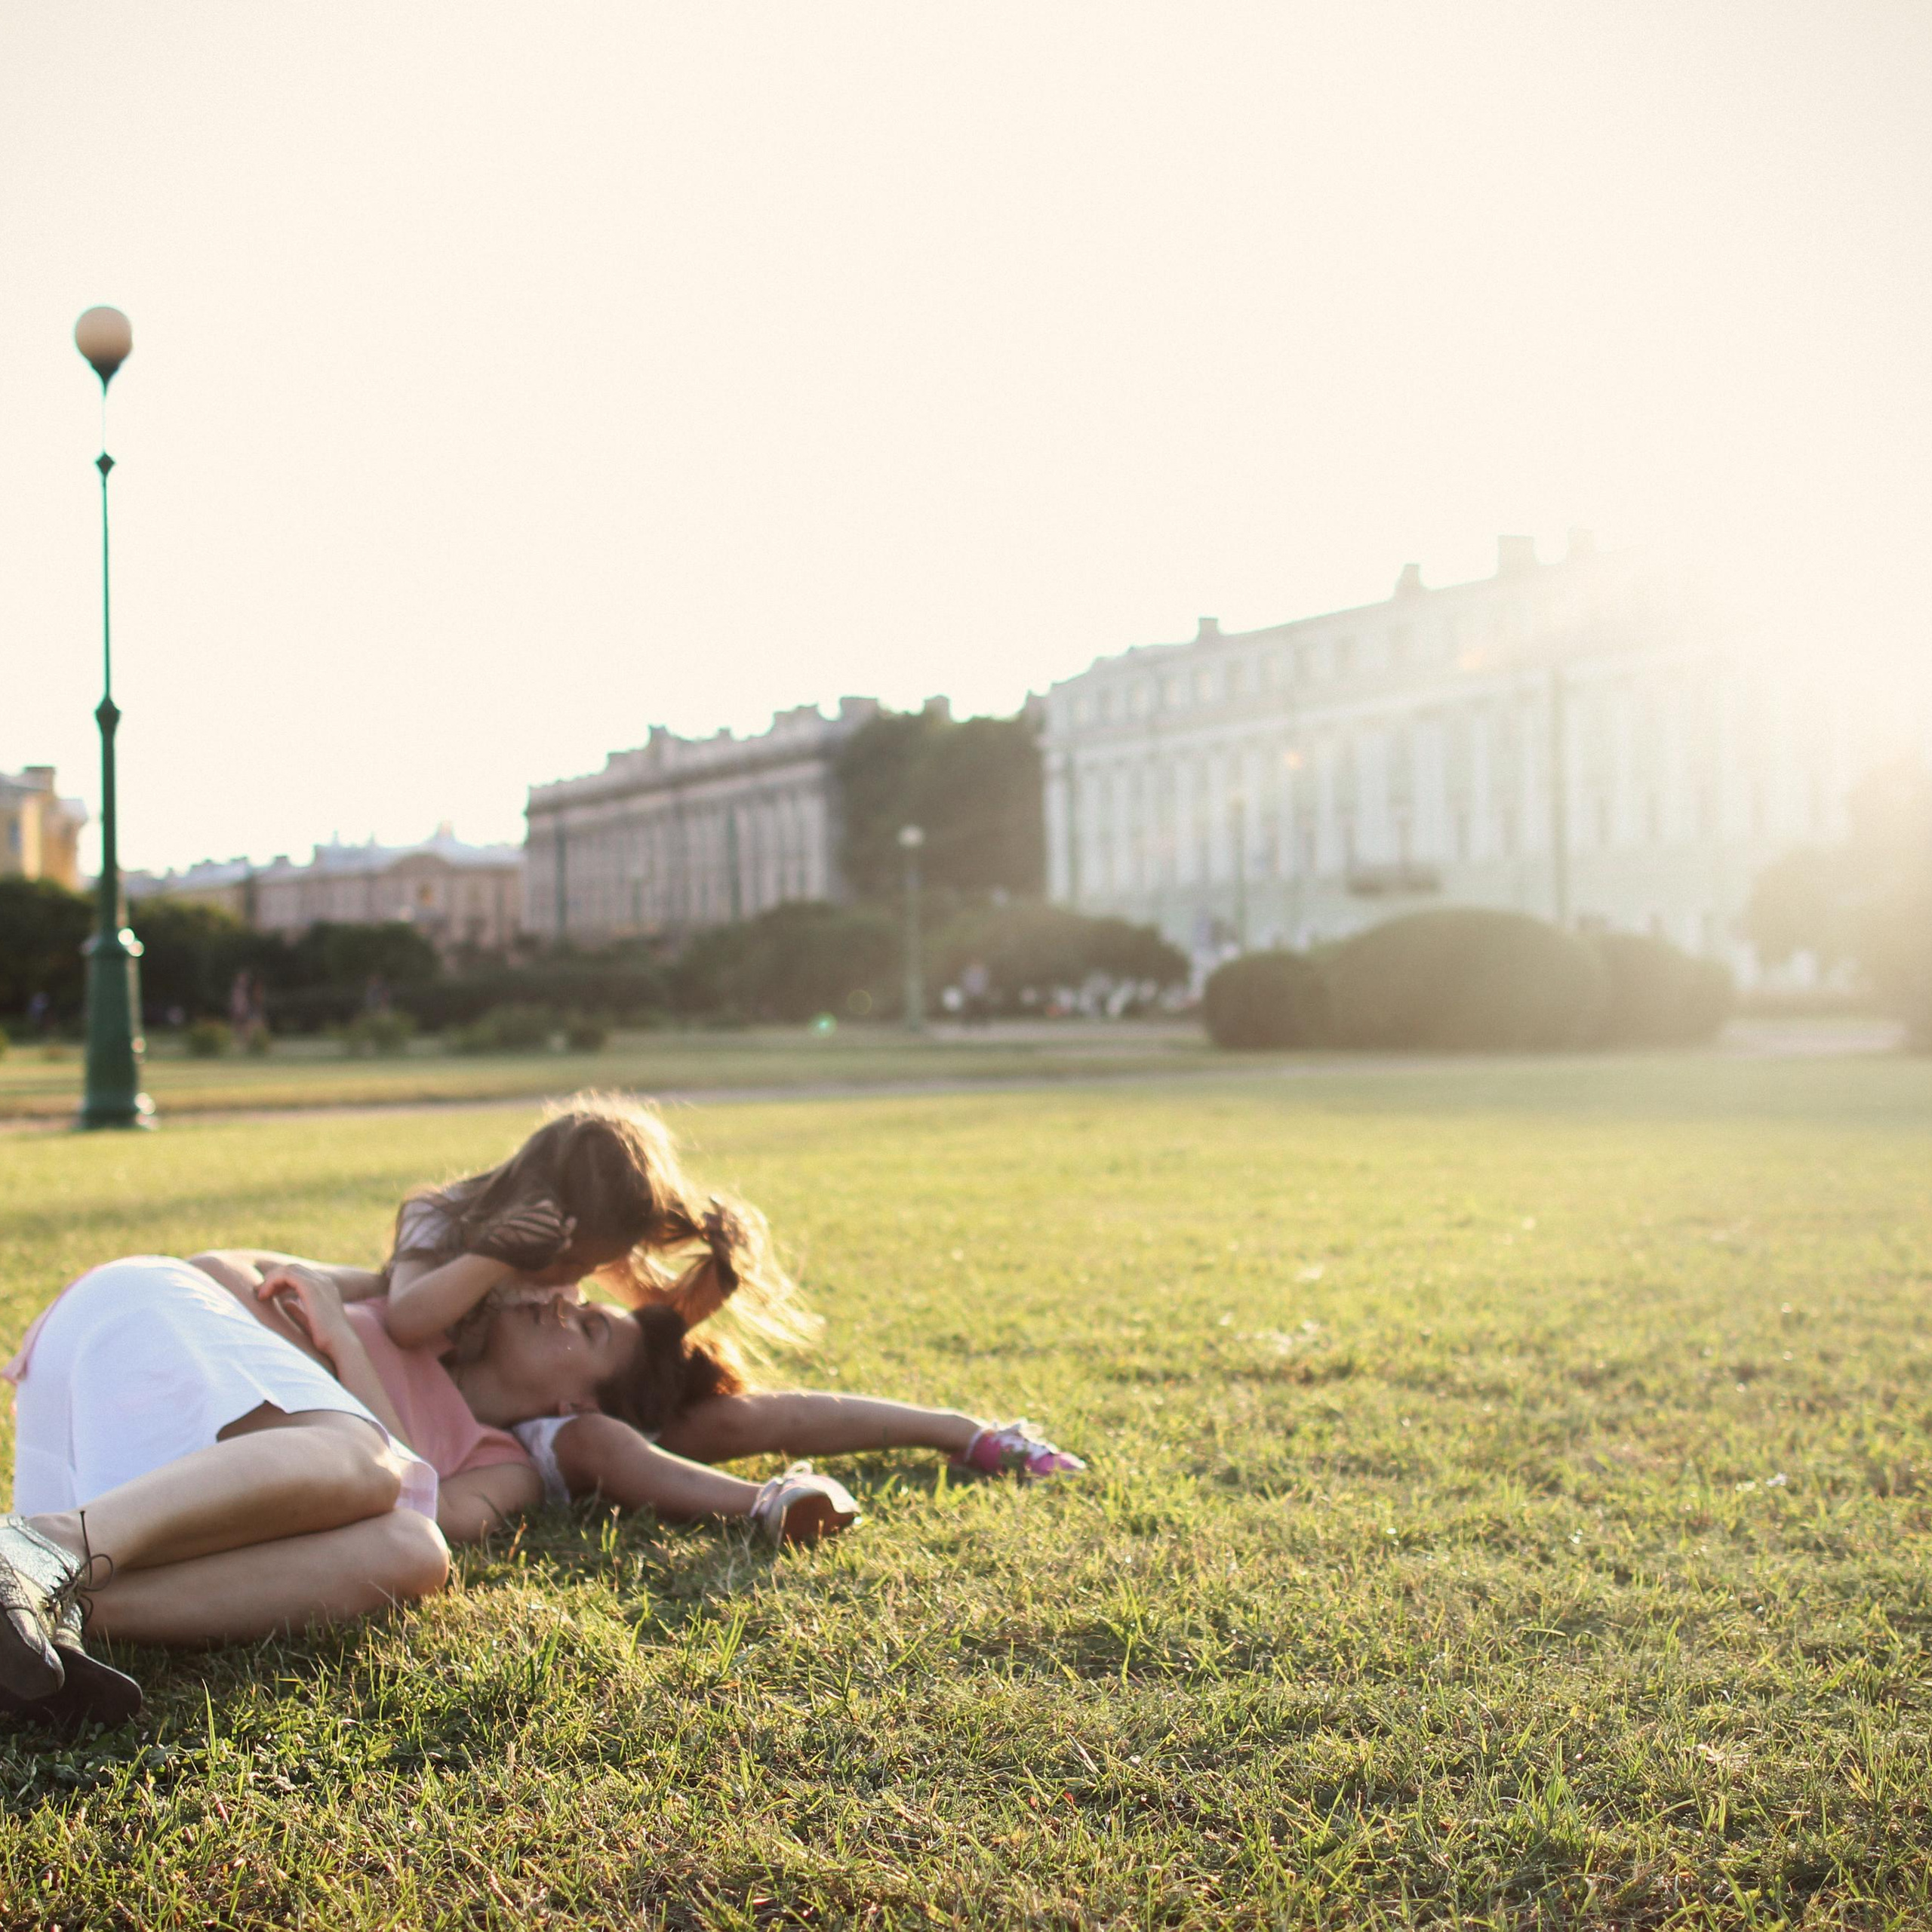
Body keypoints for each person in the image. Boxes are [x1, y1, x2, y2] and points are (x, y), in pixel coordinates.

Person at [377, 1094, 1084, 1517]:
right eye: (573, 1263)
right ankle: (761, 1504)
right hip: (483, 1429)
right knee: (607, 1443)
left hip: (555, 1404)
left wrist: (716, 1278)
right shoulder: (445, 1219)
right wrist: (496, 1255)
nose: (573, 1281)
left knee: (745, 1417)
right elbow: (405, 1319)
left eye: (590, 1267)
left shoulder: (580, 1248)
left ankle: (964, 1432)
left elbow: (643, 1332)